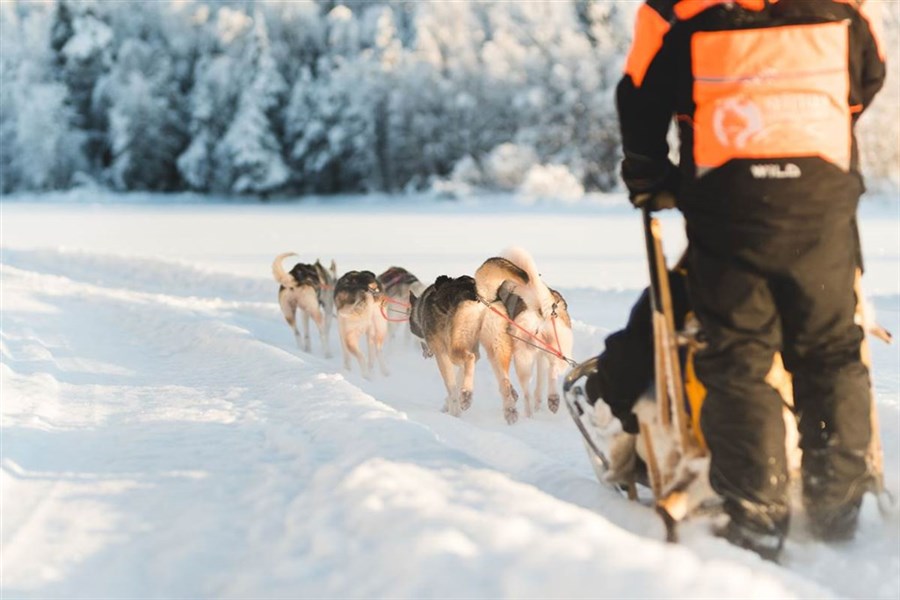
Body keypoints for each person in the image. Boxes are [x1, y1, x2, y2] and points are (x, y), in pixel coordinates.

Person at [613, 0, 886, 560]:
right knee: (831, 349)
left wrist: (650, 176)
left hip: (728, 204)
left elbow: (638, 97)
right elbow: (869, 76)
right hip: (821, 196)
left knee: (738, 357)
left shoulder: (671, 9)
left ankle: (758, 514)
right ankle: (837, 510)